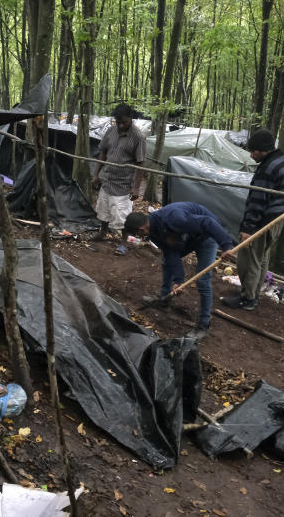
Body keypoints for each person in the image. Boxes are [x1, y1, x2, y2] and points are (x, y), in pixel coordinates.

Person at [124, 203, 235, 341]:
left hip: (207, 236)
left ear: (141, 229)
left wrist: (226, 245)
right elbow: (171, 253)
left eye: (137, 234)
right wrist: (179, 281)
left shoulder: (173, 218)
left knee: (203, 280)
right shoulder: (153, 232)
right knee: (167, 262)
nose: (139, 236)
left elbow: (208, 222)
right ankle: (165, 299)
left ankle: (203, 326)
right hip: (188, 236)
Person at [221, 128, 284, 311]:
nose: (251, 155)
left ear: (263, 149)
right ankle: (253, 294)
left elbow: (258, 201)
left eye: (253, 151)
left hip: (262, 221)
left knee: (249, 260)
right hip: (276, 220)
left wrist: (248, 228)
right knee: (261, 259)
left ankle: (247, 298)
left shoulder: (267, 169)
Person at [92, 103, 146, 254]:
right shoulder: (110, 131)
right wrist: (96, 174)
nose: (121, 125)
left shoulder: (138, 137)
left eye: (124, 122)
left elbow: (140, 164)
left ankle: (123, 243)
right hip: (107, 178)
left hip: (123, 184)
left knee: (122, 216)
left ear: (131, 118)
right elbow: (103, 153)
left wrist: (136, 187)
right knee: (103, 209)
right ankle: (103, 232)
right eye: (118, 122)